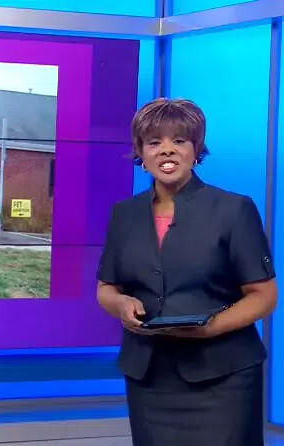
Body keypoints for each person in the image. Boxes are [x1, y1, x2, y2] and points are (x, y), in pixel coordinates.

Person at [96, 98, 277, 445]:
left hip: (223, 378)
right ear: (141, 154)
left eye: (179, 141)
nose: (167, 151)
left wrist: (210, 329)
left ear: (196, 150)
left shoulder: (233, 209)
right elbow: (106, 288)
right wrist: (121, 305)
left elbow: (264, 297)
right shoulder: (125, 215)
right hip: (150, 377)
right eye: (154, 143)